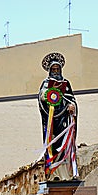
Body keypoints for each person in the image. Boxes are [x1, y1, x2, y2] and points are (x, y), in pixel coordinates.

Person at [38, 52, 78, 181]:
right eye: (53, 69)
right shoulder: (46, 83)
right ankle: (54, 173)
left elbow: (71, 98)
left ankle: (66, 174)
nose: (55, 71)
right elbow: (41, 97)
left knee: (65, 144)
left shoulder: (66, 83)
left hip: (64, 118)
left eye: (57, 69)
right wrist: (48, 93)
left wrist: (72, 106)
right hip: (51, 119)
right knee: (53, 145)